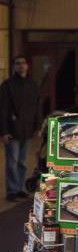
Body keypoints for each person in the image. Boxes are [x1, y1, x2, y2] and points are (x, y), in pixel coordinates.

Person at [0, 55, 42, 201]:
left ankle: (19, 189)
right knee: (12, 163)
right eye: (18, 63)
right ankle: (12, 190)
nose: (21, 66)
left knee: (23, 162)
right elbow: (3, 109)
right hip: (12, 130)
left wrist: (38, 126)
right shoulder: (7, 85)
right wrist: (3, 131)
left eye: (23, 63)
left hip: (28, 129)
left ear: (27, 66)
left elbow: (38, 107)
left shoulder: (33, 84)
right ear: (14, 67)